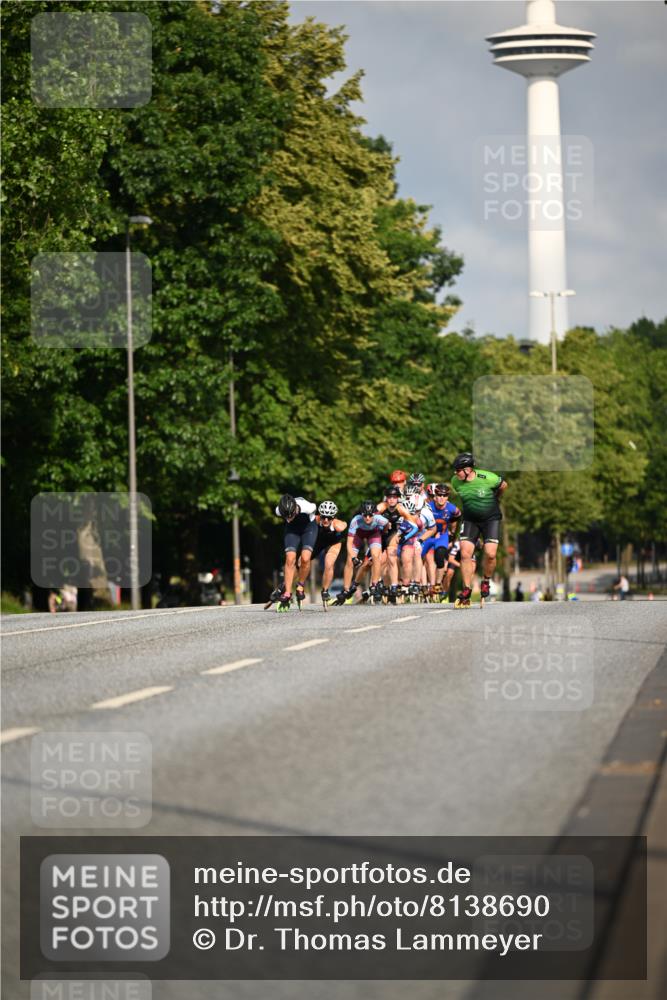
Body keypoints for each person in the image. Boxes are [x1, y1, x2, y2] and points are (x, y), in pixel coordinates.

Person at [449, 452, 507, 608]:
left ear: (468, 469)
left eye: (458, 470)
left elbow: (503, 485)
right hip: (470, 520)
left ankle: (486, 580)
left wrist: (495, 498)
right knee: (465, 553)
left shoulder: (487, 478)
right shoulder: (455, 481)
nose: (455, 473)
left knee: (490, 554)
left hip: (491, 519)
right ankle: (467, 589)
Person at [273, 494, 318, 611]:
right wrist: (290, 518)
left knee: (305, 558)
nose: (288, 518)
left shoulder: (307, 507)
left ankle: (301, 585)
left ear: (295, 509)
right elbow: (287, 517)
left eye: (291, 515)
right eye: (285, 517)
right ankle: (287, 592)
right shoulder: (279, 510)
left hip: (308, 528)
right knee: (289, 558)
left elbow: (315, 508)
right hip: (292, 530)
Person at [340, 501, 389, 603]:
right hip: (359, 534)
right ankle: (346, 589)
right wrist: (354, 557)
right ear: (361, 514)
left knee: (376, 556)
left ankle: (374, 585)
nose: (367, 518)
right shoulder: (355, 521)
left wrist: (384, 531)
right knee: (349, 560)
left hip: (374, 534)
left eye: (370, 515)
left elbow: (387, 526)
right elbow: (349, 543)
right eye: (365, 515)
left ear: (374, 514)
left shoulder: (380, 520)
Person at [420, 484, 461, 597]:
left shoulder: (452, 508)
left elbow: (456, 518)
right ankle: (419, 584)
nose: (442, 497)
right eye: (439, 495)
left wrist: (452, 533)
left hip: (442, 536)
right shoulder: (427, 506)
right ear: (435, 496)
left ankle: (437, 584)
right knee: (418, 557)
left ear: (448, 497)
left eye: (445, 495)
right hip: (428, 535)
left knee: (440, 556)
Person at [312, 501, 347, 605]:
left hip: (334, 543)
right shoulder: (315, 520)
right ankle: (286, 587)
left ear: (334, 518)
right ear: (320, 516)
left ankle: (325, 590)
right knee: (301, 562)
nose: (326, 520)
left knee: (329, 563)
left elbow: (343, 525)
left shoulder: (338, 525)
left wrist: (341, 524)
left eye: (329, 518)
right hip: (319, 542)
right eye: (323, 517)